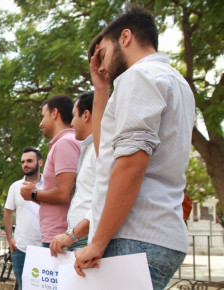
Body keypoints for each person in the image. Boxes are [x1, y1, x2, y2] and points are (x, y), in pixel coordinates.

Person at [74, 6, 195, 290]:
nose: (100, 64)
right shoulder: (178, 82)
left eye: (102, 52)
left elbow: (131, 166)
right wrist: (101, 89)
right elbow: (108, 153)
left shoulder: (138, 77)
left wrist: (99, 241)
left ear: (125, 37)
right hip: (157, 234)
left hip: (133, 236)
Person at [20, 95, 80, 247]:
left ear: (55, 113)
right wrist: (34, 195)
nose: (41, 124)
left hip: (59, 236)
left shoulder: (65, 143)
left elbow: (64, 193)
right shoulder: (65, 142)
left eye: (43, 116)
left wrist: (34, 193)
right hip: (58, 235)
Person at [49, 91, 95, 255]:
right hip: (81, 237)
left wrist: (72, 235)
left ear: (86, 115)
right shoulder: (89, 148)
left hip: (86, 238)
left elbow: (106, 198)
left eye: (74, 116)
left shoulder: (100, 149)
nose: (72, 123)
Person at [3, 147, 44, 290]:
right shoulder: (15, 187)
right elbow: (7, 212)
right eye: (23, 162)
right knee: (23, 287)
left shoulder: (50, 185)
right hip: (21, 248)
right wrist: (10, 239)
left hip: (45, 247)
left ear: (40, 163)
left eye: (29, 161)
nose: (25, 164)